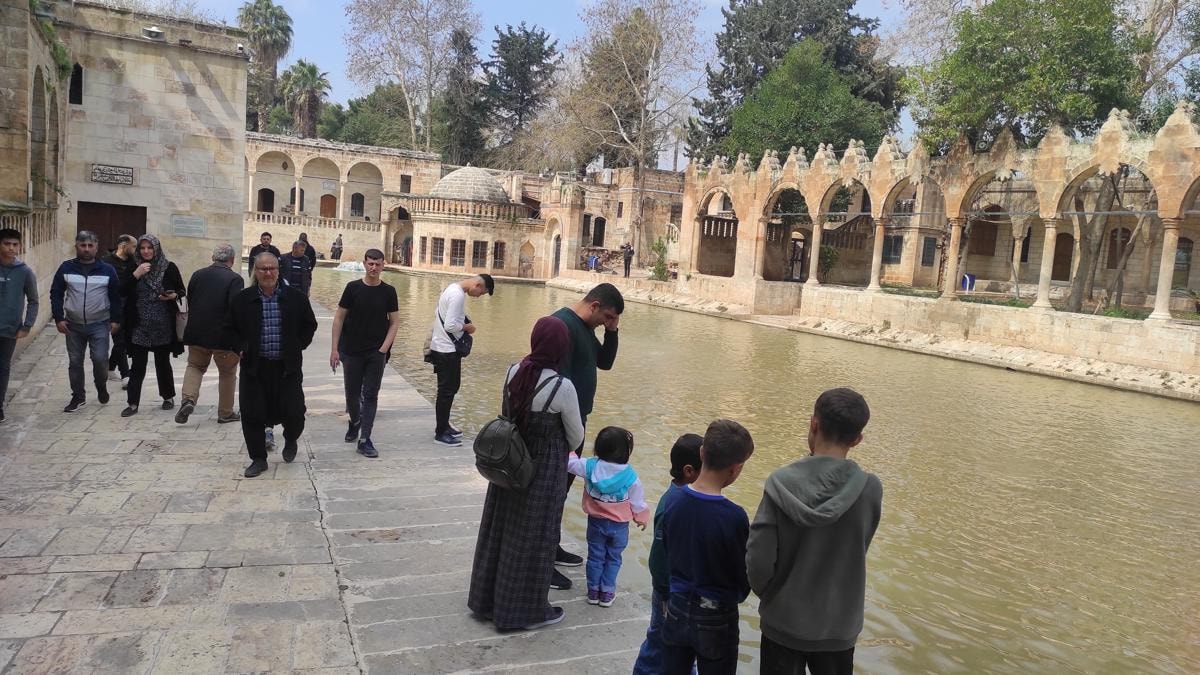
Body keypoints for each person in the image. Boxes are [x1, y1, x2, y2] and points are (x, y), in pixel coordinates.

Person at [747, 388, 882, 675]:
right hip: (838, 626)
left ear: (814, 424)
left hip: (783, 621)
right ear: (857, 440)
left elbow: (758, 560)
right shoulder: (870, 489)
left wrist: (774, 597)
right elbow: (859, 547)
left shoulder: (779, 483)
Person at [467, 316, 585, 631]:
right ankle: (527, 612)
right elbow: (576, 437)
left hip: (509, 465)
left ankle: (486, 601)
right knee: (534, 538)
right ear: (561, 347)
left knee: (501, 530)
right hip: (543, 472)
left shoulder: (513, 372)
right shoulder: (562, 387)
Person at [659, 419, 755, 674]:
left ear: (702, 453)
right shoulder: (734, 516)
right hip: (717, 614)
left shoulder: (673, 500)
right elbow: (741, 571)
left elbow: (668, 548)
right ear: (736, 469)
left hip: (677, 605)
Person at [549, 283, 623, 587]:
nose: (606, 322)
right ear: (594, 306)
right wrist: (567, 430)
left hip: (576, 423)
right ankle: (542, 561)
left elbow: (604, 362)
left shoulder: (586, 328)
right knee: (551, 492)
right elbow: (557, 381)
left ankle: (551, 547)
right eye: (606, 317)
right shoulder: (563, 325)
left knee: (560, 491)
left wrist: (613, 331)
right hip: (560, 427)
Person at [227, 252, 317, 477]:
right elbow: (229, 329)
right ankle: (258, 458)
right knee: (252, 414)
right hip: (255, 368)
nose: (268, 273)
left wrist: (297, 345)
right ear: (255, 272)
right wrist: (240, 347)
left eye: (272, 268)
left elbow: (310, 325)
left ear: (278, 271)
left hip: (287, 368)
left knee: (295, 412)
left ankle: (291, 438)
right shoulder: (242, 300)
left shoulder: (296, 298)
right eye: (263, 269)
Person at [633, 432, 703, 674]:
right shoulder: (674, 504)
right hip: (669, 592)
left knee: (678, 644)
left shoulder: (682, 498)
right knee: (659, 641)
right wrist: (664, 589)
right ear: (689, 471)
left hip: (677, 589)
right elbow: (659, 558)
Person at [565, 426, 649, 608]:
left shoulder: (589, 466)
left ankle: (593, 591)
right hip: (619, 526)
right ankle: (607, 593)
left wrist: (570, 448)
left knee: (595, 557)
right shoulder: (631, 476)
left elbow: (570, 464)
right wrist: (641, 518)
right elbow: (637, 502)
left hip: (596, 523)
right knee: (613, 558)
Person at [330, 248, 399, 458]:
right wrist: (334, 349)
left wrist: (383, 349)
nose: (373, 268)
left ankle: (365, 438)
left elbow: (394, 322)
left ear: (383, 265)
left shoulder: (389, 291)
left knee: (370, 395)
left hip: (375, 353)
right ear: (364, 264)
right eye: (370, 263)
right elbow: (339, 318)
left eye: (377, 264)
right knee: (352, 394)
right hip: (351, 351)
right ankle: (355, 421)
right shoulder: (353, 288)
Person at [50, 230, 122, 413]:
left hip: (99, 323)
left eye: (90, 245)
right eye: (83, 245)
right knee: (75, 361)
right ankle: (78, 396)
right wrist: (59, 318)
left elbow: (115, 296)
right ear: (76, 246)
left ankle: (101, 385)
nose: (87, 249)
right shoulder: (66, 268)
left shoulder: (107, 270)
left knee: (100, 359)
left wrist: (115, 320)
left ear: (97, 247)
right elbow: (56, 293)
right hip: (73, 325)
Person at [176, 243, 244, 425]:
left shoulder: (197, 275)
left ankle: (188, 400)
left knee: (195, 366)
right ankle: (225, 413)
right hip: (223, 336)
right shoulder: (235, 279)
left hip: (197, 332)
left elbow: (191, 299)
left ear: (213, 258)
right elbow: (235, 308)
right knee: (227, 373)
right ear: (232, 260)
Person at [120, 234, 185, 417]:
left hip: (162, 323)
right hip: (139, 324)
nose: (146, 251)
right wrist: (136, 275)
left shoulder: (169, 267)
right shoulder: (133, 267)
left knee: (162, 363)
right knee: (137, 365)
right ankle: (133, 403)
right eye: (142, 248)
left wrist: (172, 296)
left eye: (150, 248)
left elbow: (181, 290)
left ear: (156, 249)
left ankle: (168, 397)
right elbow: (121, 290)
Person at [428, 274, 494, 446]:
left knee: (451, 388)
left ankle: (444, 425)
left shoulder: (452, 289)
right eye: (481, 293)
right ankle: (440, 433)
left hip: (443, 348)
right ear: (477, 285)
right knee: (446, 391)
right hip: (446, 351)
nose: (478, 297)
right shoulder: (457, 295)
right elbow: (450, 325)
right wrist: (467, 327)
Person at [0, 228, 39, 425]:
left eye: (15, 244)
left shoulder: (24, 272)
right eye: (7, 244)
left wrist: (27, 325)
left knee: (3, 368)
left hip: (9, 330)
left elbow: (33, 300)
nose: (11, 248)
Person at [102, 234, 137, 384]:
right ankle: (126, 375)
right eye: (134, 246)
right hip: (112, 307)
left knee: (124, 340)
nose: (136, 249)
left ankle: (110, 368)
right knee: (119, 340)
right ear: (123, 246)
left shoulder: (134, 262)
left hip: (130, 307)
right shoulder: (105, 262)